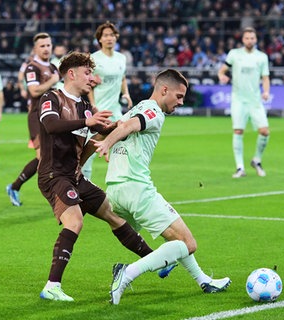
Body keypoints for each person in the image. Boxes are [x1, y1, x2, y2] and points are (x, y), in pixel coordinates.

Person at [36, 52, 173, 302]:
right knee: (75, 221)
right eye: (88, 73)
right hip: (54, 174)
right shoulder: (52, 97)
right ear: (71, 74)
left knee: (113, 214)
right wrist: (87, 123)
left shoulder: (85, 107)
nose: (93, 78)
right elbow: (51, 126)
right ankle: (52, 286)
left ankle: (154, 260)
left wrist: (127, 123)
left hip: (74, 176)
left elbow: (104, 130)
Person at [94, 69, 231, 305]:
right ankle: (126, 274)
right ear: (164, 90)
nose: (181, 102)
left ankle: (203, 280)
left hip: (115, 190)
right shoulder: (153, 111)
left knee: (176, 240)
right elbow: (128, 128)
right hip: (136, 189)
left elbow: (122, 128)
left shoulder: (136, 107)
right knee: (188, 244)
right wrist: (107, 143)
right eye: (178, 96)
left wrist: (110, 144)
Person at [6, 33, 60, 206]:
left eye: (48, 45)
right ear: (35, 49)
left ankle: (15, 186)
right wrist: (52, 81)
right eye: (42, 46)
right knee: (44, 158)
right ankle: (55, 195)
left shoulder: (53, 67)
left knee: (48, 158)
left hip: (51, 118)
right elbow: (34, 91)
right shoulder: (32, 68)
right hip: (37, 118)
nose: (46, 49)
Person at [81, 21, 133, 180]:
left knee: (123, 149)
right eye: (105, 35)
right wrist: (93, 104)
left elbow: (123, 78)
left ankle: (120, 184)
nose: (109, 38)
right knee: (89, 152)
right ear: (100, 39)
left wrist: (126, 94)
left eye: (112, 35)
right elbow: (88, 84)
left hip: (115, 111)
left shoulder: (121, 58)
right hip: (98, 112)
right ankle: (83, 185)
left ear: (116, 37)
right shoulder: (94, 59)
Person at [217, 27, 270, 178]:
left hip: (255, 100)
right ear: (243, 39)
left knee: (265, 131)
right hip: (238, 100)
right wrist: (222, 76)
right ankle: (240, 167)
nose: (249, 40)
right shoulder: (234, 54)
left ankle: (257, 160)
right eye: (247, 38)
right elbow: (221, 70)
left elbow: (265, 77)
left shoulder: (262, 57)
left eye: (252, 38)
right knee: (238, 131)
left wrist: (266, 91)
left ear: (256, 39)